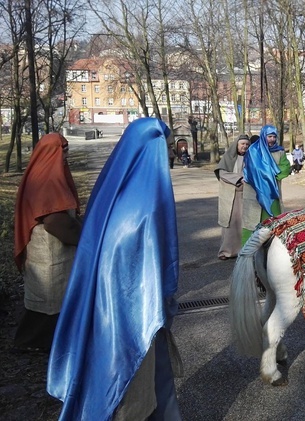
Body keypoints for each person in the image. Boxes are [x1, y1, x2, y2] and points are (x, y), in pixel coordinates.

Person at [48, 118, 182, 420]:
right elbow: (150, 271)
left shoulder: (112, 191)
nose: (171, 155)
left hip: (104, 311)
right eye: (167, 148)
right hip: (133, 317)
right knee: (135, 389)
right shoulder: (144, 206)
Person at [13, 133, 82, 353]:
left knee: (45, 303)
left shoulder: (41, 173)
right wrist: (84, 238)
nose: (66, 155)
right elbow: (55, 222)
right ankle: (33, 345)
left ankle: (34, 343)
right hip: (50, 253)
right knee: (50, 304)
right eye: (63, 150)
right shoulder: (49, 181)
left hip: (47, 254)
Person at [242, 125, 291, 244]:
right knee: (251, 221)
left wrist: (270, 175)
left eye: (274, 137)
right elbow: (249, 169)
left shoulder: (279, 151)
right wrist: (265, 174)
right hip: (254, 192)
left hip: (272, 192)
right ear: (264, 136)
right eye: (269, 136)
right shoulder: (253, 150)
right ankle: (247, 252)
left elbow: (286, 167)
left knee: (273, 220)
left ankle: (273, 249)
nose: (272, 139)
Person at [216, 134, 251, 260]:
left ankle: (243, 250)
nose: (245, 146)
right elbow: (222, 172)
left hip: (247, 195)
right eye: (242, 144)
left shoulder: (250, 157)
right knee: (231, 223)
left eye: (247, 144)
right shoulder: (228, 157)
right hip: (231, 195)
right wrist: (239, 178)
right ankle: (226, 252)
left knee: (245, 223)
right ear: (237, 144)